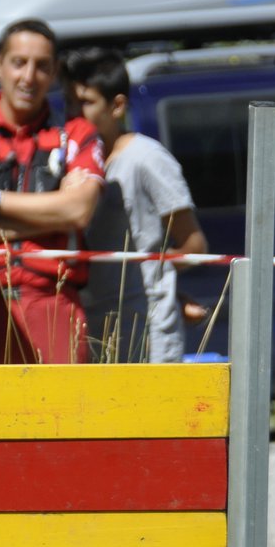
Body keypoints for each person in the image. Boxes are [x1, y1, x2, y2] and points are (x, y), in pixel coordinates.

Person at [0, 19, 103, 364]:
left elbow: (78, 212)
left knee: (60, 418)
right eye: (19, 63)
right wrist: (49, 216)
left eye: (42, 66)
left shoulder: (76, 134)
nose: (29, 77)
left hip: (54, 304)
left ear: (55, 71)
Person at [64, 47, 207, 363]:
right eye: (70, 103)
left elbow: (193, 244)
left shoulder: (146, 157)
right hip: (92, 325)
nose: (74, 113)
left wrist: (159, 282)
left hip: (148, 332)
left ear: (117, 106)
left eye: (86, 103)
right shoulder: (71, 161)